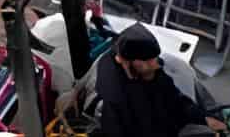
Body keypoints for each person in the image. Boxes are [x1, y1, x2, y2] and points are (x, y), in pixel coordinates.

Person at [94, 23, 223, 137]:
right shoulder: (115, 93)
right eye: (149, 61)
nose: (155, 65)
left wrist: (203, 118)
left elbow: (175, 99)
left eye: (154, 59)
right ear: (128, 61)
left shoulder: (149, 69)